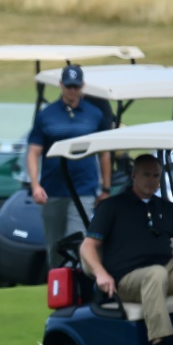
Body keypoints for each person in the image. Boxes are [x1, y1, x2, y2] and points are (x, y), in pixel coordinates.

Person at [80, 154, 173, 345]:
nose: (152, 180)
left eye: (156, 176)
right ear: (133, 175)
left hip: (164, 270)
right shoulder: (112, 207)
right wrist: (100, 273)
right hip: (126, 279)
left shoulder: (166, 208)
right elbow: (88, 246)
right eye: (146, 175)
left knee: (159, 272)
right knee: (155, 273)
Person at [27, 64, 112, 269]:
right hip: (53, 190)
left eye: (75, 87)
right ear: (60, 85)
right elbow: (33, 152)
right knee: (55, 245)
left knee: (80, 241)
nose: (72, 91)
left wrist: (106, 188)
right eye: (68, 86)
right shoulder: (46, 115)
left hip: (83, 189)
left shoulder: (94, 115)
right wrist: (35, 185)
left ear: (82, 86)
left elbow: (104, 153)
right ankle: (57, 287)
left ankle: (78, 287)